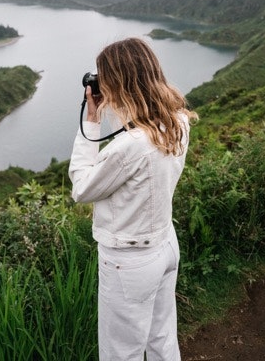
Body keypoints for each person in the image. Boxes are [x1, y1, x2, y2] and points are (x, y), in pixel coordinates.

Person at [69, 37, 197, 360]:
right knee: (162, 339)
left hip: (128, 261)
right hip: (165, 245)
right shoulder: (178, 121)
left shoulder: (129, 147)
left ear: (119, 84)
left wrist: (91, 121)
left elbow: (81, 187)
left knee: (120, 353)